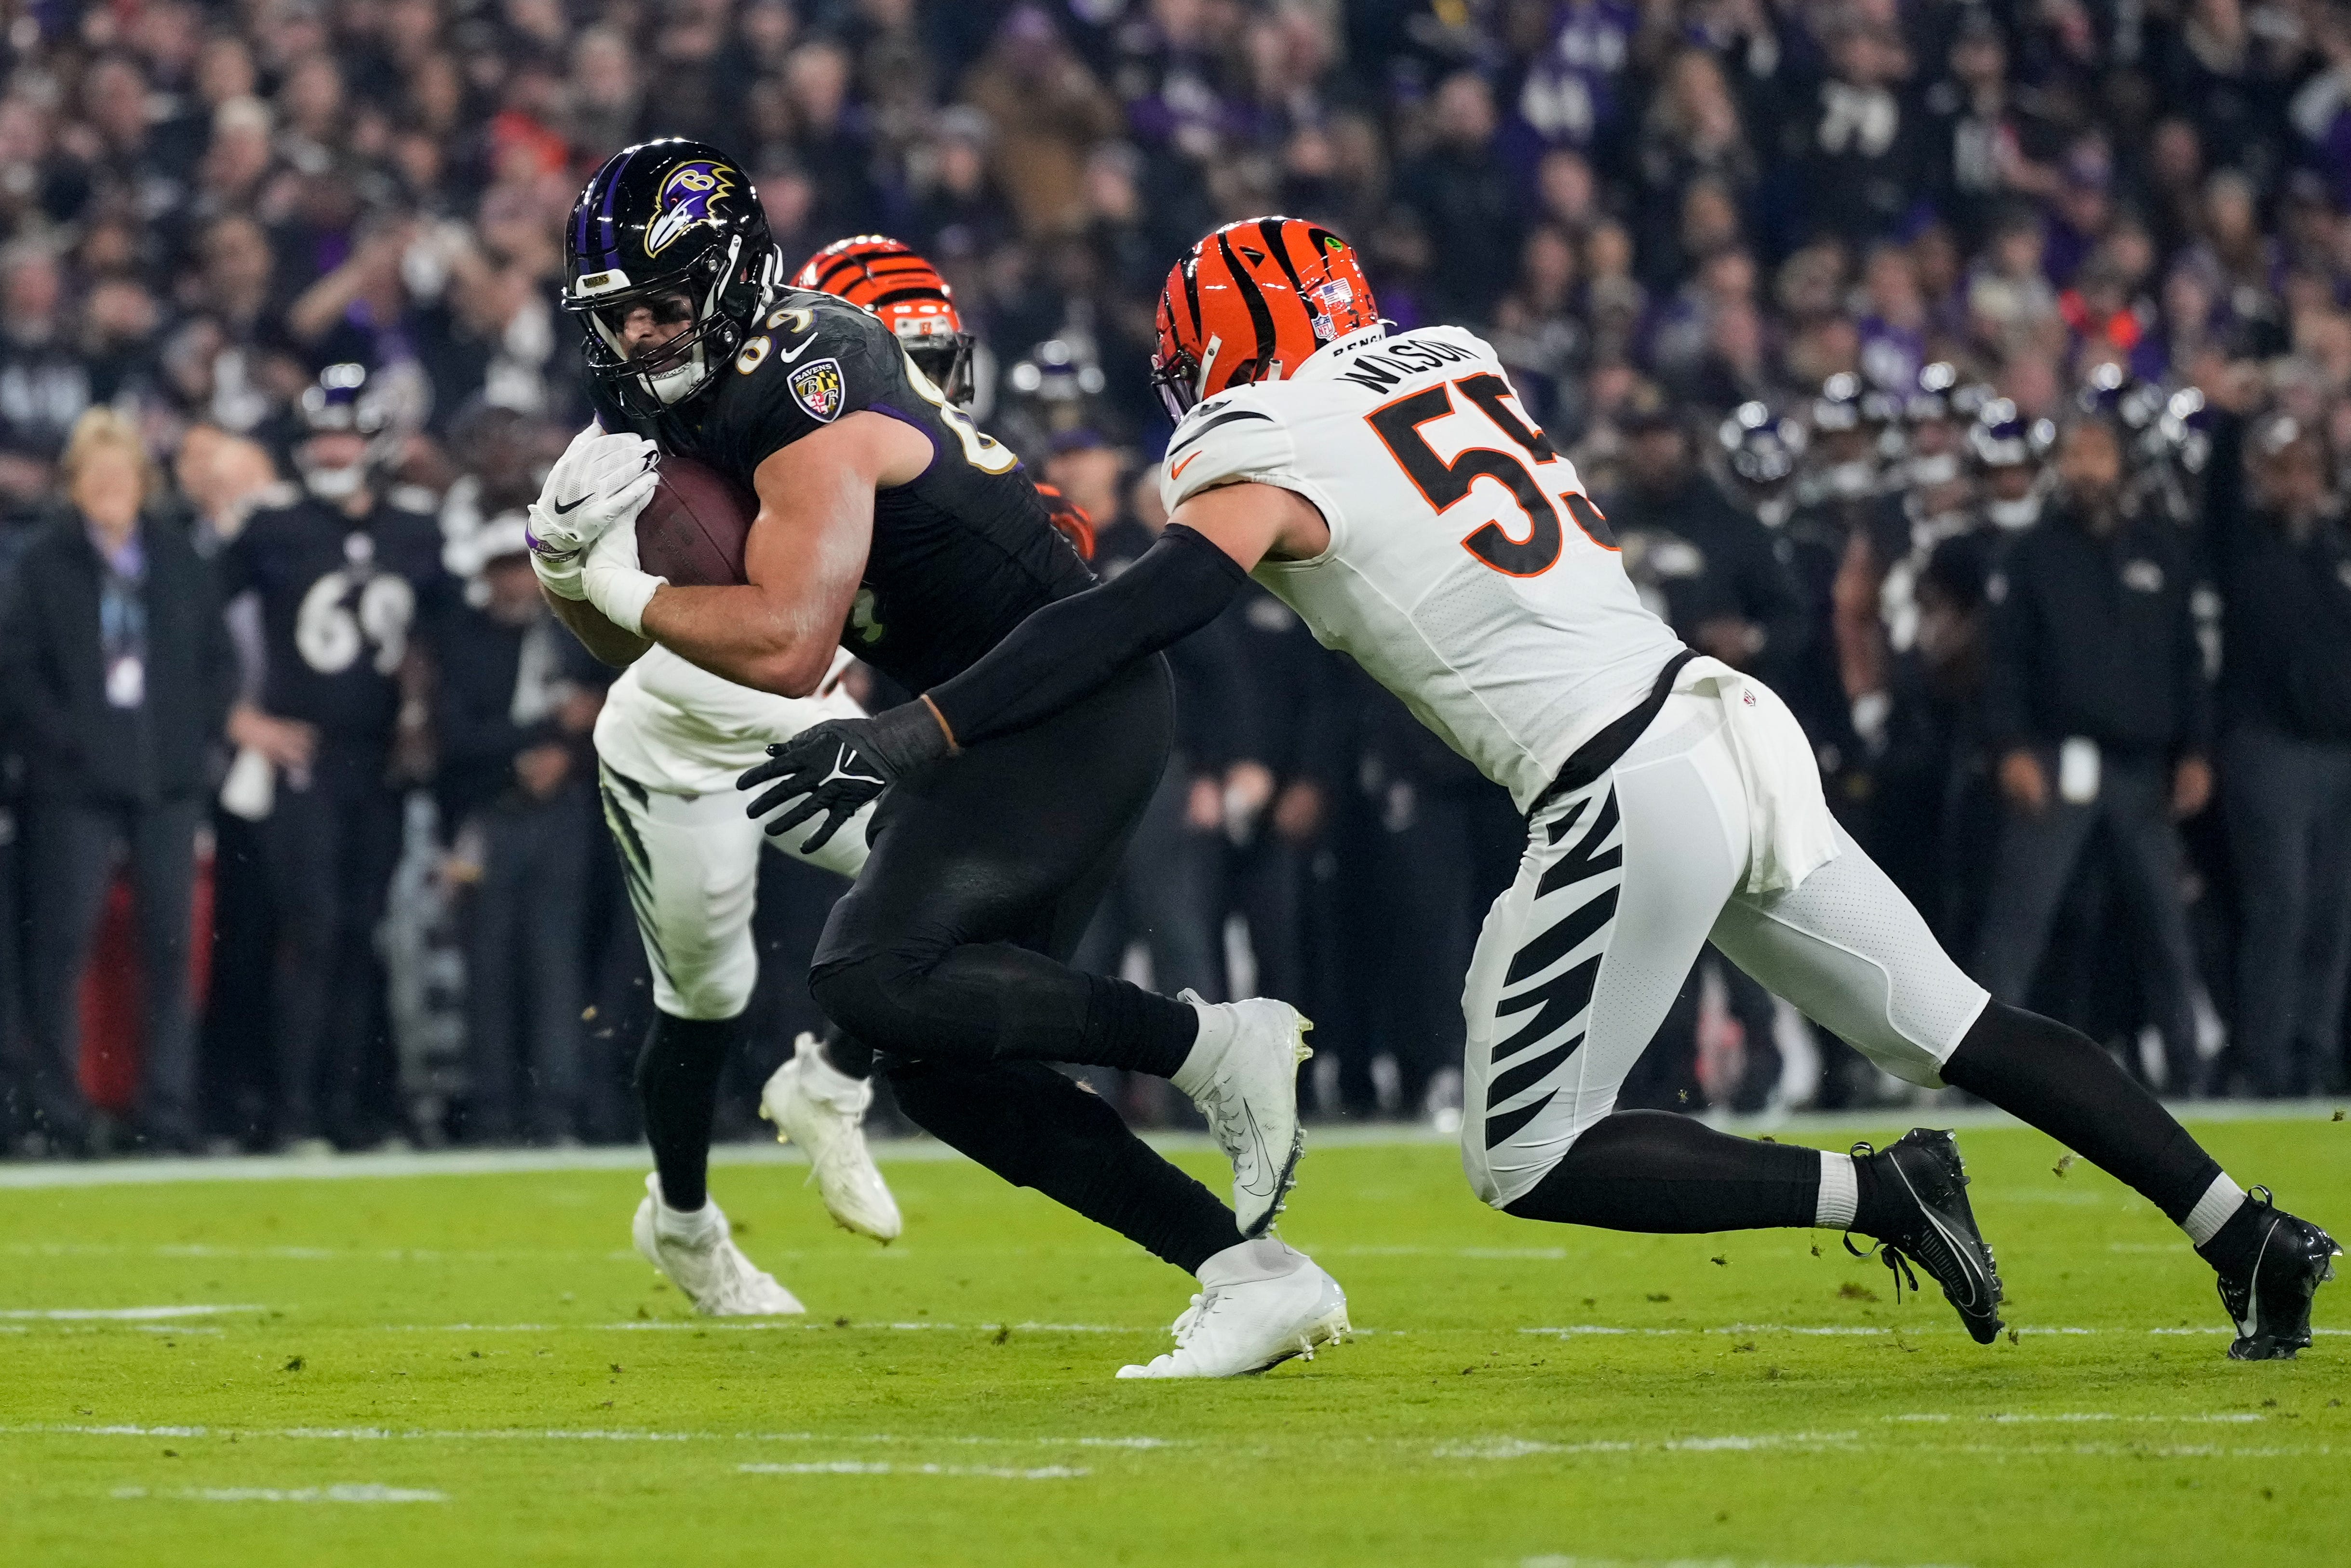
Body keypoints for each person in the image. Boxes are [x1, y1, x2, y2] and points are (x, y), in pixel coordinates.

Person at [760, 216, 2340, 1363]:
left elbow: (1151, 605)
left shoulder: (1258, 435)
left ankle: (1874, 1187)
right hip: (1727, 726)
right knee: (1959, 1021)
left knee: (1521, 1150)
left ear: (1221, 350)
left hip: (1613, 778)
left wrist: (916, 733)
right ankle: (2235, 1226)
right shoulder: (1448, 359)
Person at [534, 141, 1344, 1374]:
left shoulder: (807, 373)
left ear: (736, 276)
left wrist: (618, 583)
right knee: (944, 1071)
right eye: (620, 313)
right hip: (982, 713)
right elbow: (647, 639)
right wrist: (569, 580)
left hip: (1058, 704)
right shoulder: (668, 387)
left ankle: (1209, 1047)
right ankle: (1249, 1270)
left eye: (664, 303)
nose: (641, 336)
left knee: (865, 976)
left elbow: (791, 645)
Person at [216, 363, 443, 1151]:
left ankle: (348, 1108)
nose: (333, 446)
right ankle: (292, 1111)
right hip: (300, 758)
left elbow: (441, 640)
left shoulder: (418, 527)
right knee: (308, 930)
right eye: (322, 433)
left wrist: (425, 714)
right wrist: (238, 716)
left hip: (379, 763)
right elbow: (192, 626)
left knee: (361, 932)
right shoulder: (272, 524)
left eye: (345, 431)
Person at [0, 408, 236, 1153]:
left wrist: (191, 743)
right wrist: (69, 747)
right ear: (74, 485)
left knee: (170, 952)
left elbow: (216, 662)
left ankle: (167, 1109)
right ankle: (59, 1113)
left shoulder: (178, 558)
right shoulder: (40, 562)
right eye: (96, 476)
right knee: (61, 952)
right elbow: (18, 673)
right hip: (71, 789)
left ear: (143, 481)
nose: (110, 488)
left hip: (166, 783)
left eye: (122, 474)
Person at [1973, 416, 2215, 1094]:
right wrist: (2010, 747)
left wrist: (2195, 750)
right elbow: (2004, 664)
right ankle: (1985, 1068)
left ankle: (2189, 1068)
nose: (2084, 468)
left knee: (2165, 928)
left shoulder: (2159, 551)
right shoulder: (2031, 554)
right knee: (2019, 922)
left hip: (2141, 768)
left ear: (2122, 465)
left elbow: (2186, 663)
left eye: (2097, 453)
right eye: (2073, 455)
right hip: (2055, 759)